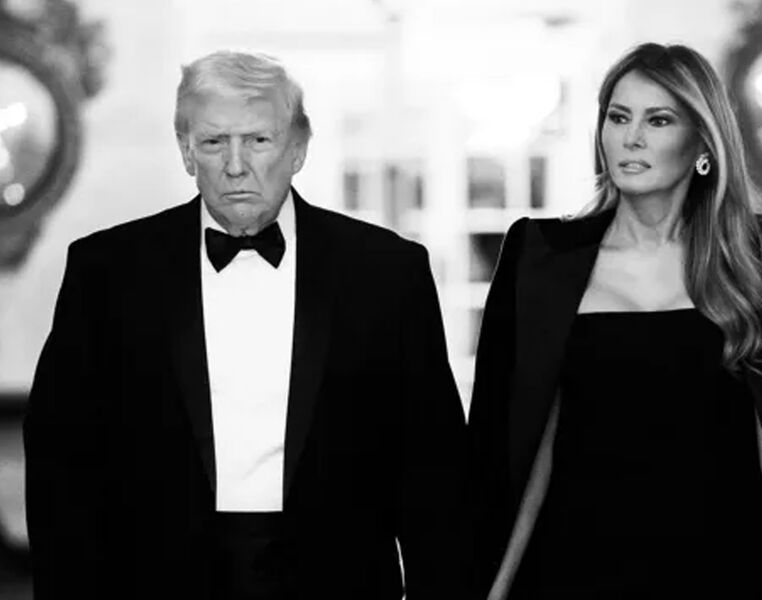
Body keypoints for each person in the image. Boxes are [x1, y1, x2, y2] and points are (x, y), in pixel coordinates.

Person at [24, 50, 468, 599]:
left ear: (298, 148)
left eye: (259, 140)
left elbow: (432, 467)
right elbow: (62, 464)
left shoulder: (387, 272)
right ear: (186, 151)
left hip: (339, 581)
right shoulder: (107, 272)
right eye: (214, 142)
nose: (236, 165)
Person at [468, 43, 762, 600]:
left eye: (658, 120)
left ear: (703, 143)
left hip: (727, 568)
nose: (631, 138)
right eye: (618, 117)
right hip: (575, 569)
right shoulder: (540, 256)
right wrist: (492, 588)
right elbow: (525, 447)